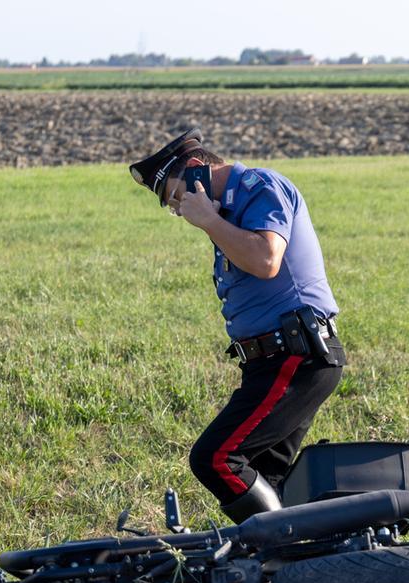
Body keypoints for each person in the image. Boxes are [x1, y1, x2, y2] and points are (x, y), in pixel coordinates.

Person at [129, 129, 346, 522]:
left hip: (295, 356)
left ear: (196, 170)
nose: (178, 211)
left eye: (175, 197)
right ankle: (292, 568)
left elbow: (266, 260)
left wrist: (210, 221)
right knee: (267, 479)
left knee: (216, 458)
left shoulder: (260, 185)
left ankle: (279, 546)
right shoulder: (228, 213)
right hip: (274, 361)